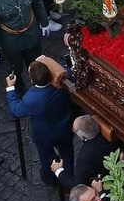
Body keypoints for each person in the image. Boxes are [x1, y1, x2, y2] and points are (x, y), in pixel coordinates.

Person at [5, 56, 74, 193]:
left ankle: (50, 179)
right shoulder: (62, 84)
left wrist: (10, 88)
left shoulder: (32, 98)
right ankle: (69, 182)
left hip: (44, 135)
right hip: (64, 128)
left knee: (47, 157)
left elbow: (16, 111)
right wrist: (48, 60)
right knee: (67, 155)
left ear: (32, 80)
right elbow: (67, 71)